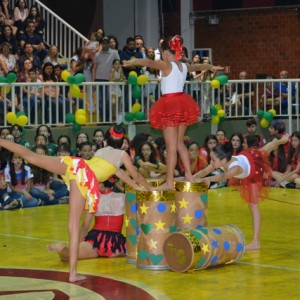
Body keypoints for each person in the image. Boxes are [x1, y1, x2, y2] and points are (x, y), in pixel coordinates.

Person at [0, 125, 151, 282]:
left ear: (105, 142)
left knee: (32, 156)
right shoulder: (122, 155)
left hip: (74, 164)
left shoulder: (100, 152)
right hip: (85, 177)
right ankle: (72, 273)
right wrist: (151, 189)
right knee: (73, 226)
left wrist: (137, 186)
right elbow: (137, 176)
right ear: (123, 145)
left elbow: (121, 174)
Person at [123, 35, 223, 190]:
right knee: (179, 143)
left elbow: (149, 62)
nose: (162, 56)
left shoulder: (166, 65)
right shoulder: (183, 66)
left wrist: (134, 61)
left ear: (167, 54)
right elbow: (196, 68)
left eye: (163, 53)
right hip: (182, 103)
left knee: (171, 147)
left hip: (170, 105)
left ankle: (169, 182)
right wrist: (210, 67)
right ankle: (189, 175)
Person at [193, 135, 288, 250]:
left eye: (213, 160)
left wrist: (209, 179)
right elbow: (204, 171)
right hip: (246, 157)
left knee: (253, 205)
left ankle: (255, 242)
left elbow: (224, 176)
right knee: (267, 148)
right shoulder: (220, 161)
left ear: (223, 160)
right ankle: (279, 141)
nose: (211, 162)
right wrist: (190, 178)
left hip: (253, 170)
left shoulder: (235, 167)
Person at [47, 177, 126, 261]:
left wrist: (75, 245)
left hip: (96, 240)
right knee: (130, 251)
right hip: (116, 242)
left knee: (68, 256)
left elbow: (85, 226)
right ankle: (64, 249)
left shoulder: (93, 199)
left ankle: (62, 248)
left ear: (101, 184)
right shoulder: (122, 197)